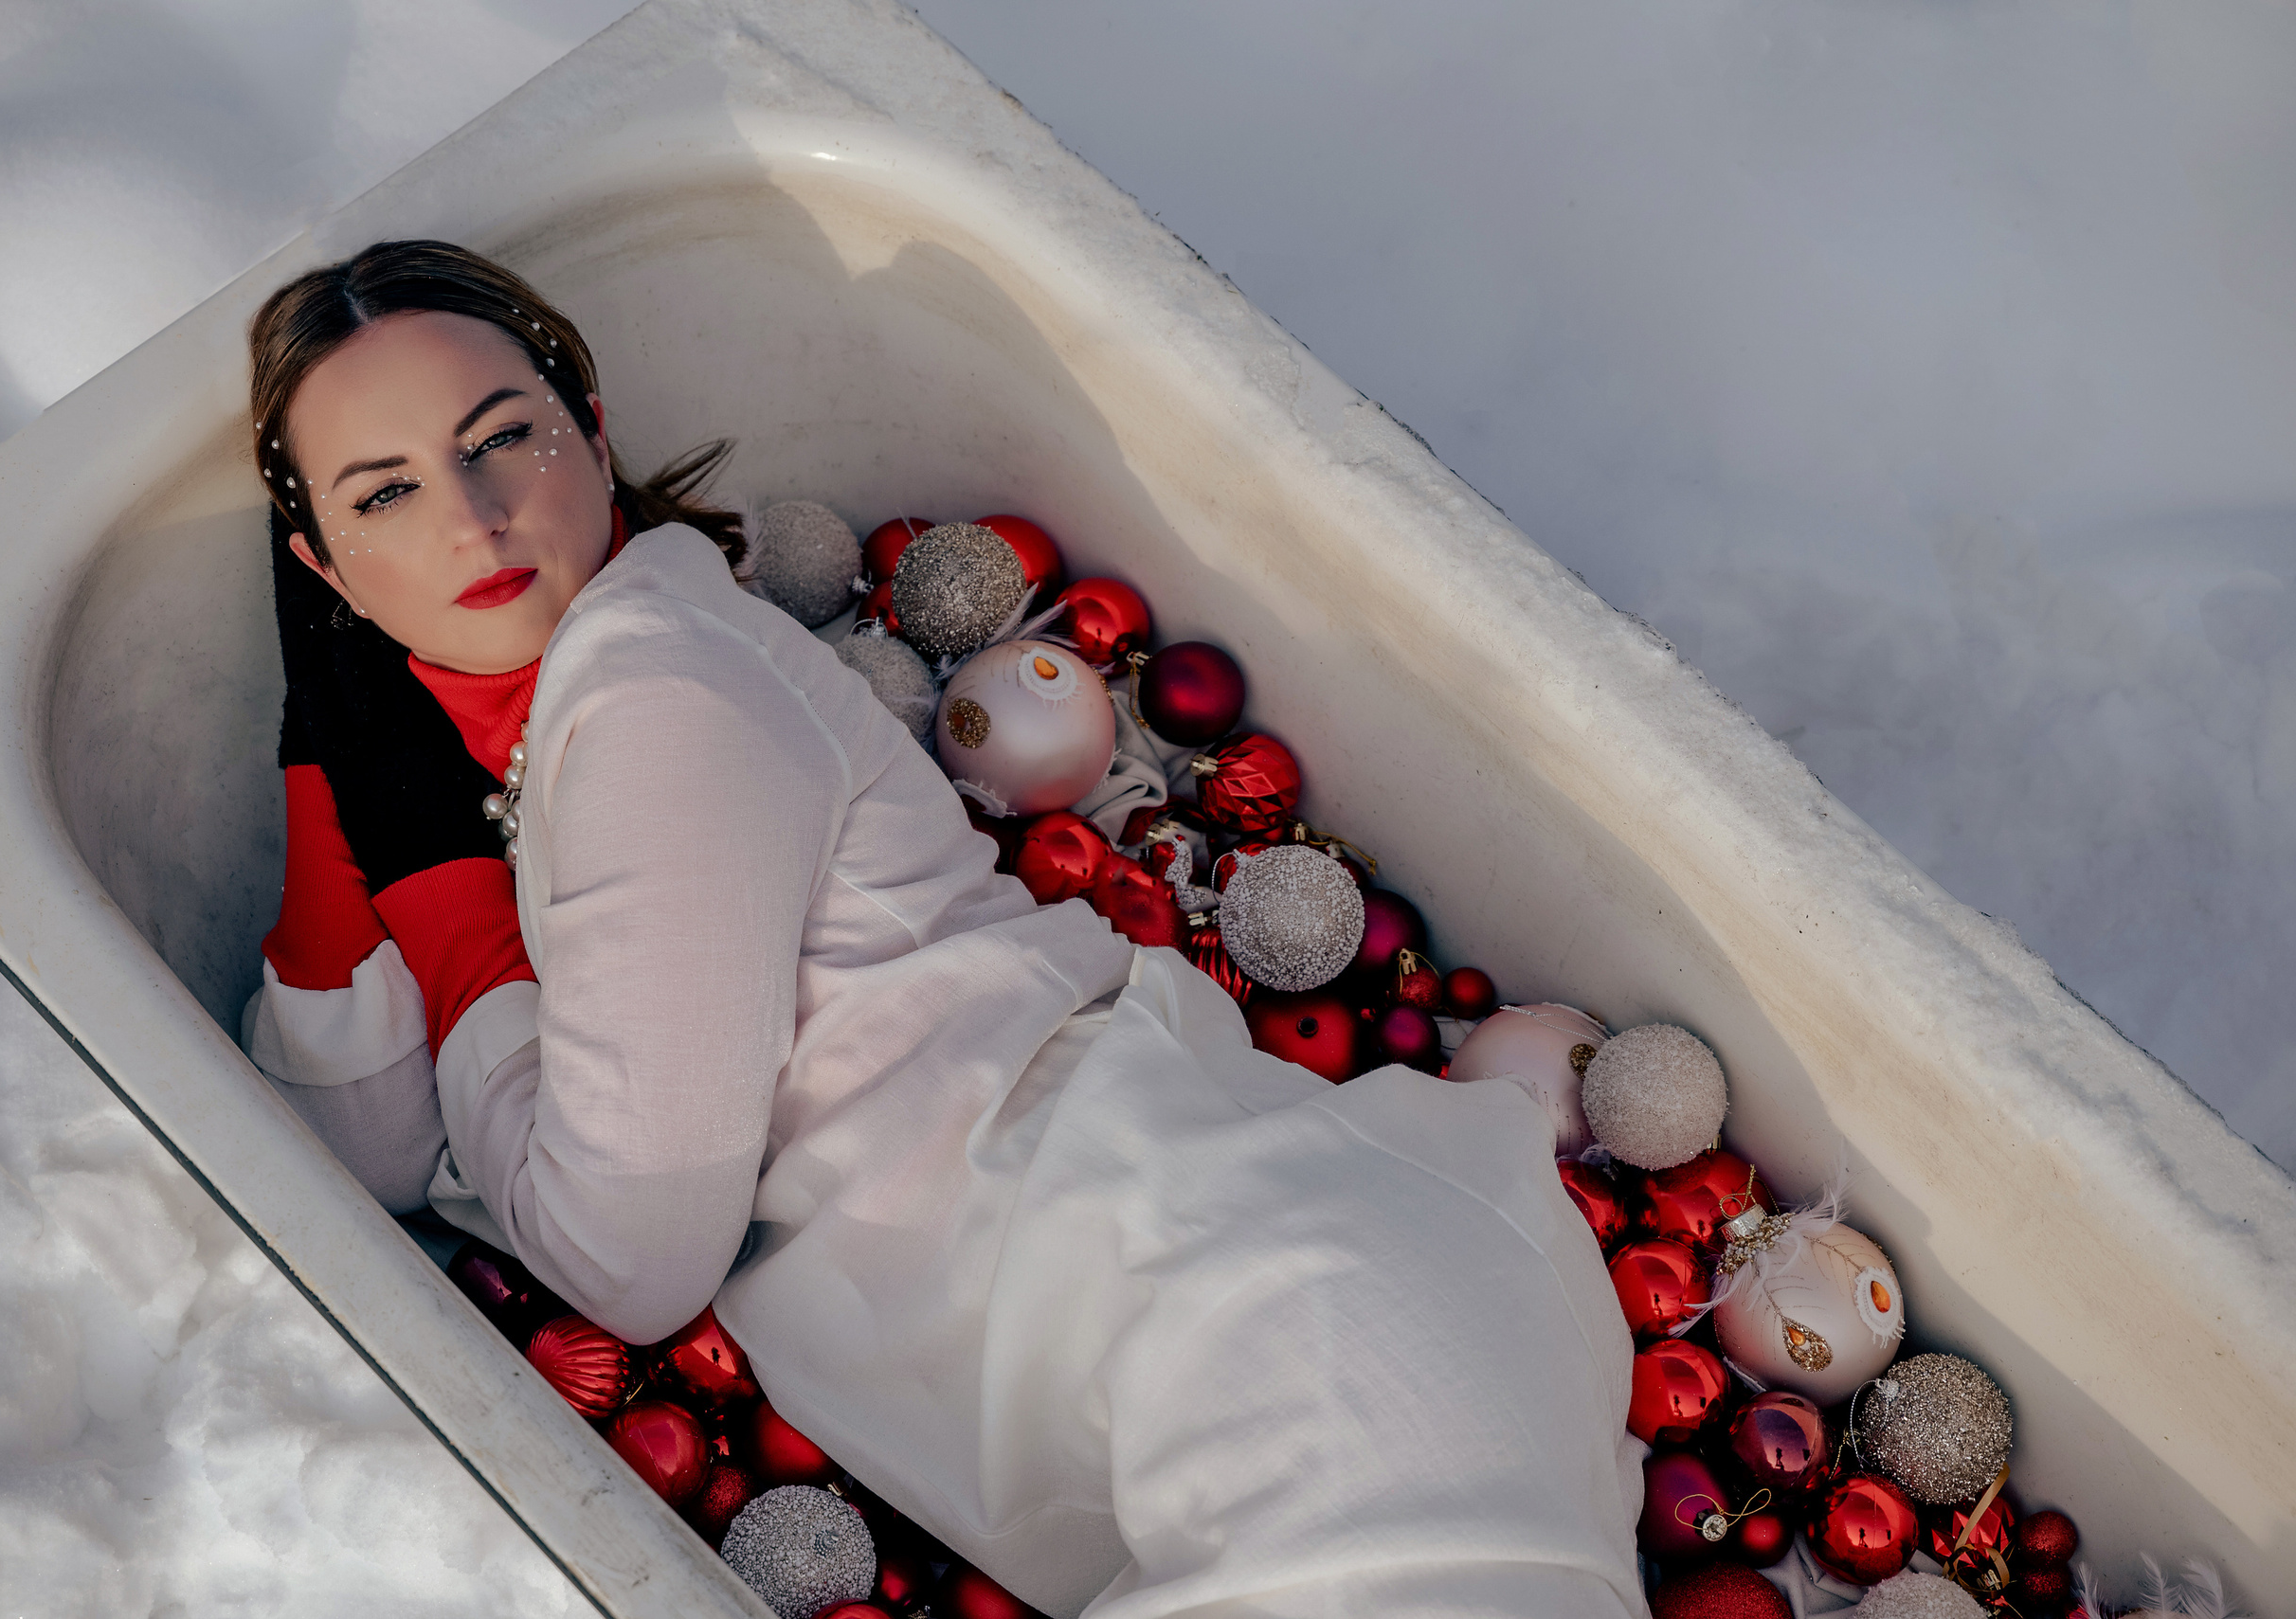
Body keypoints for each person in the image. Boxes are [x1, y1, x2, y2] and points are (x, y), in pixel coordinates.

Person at [240, 240, 1649, 1617]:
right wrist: (339, 765)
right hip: (1292, 1300)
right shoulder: (546, 721)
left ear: (593, 433)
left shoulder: (659, 692)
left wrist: (435, 879)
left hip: (1282, 1350)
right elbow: (365, 1151)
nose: (472, 518)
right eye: (385, 497)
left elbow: (628, 1263)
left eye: (504, 439)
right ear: (323, 566)